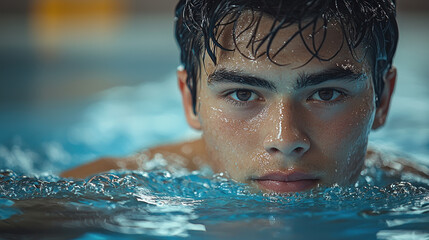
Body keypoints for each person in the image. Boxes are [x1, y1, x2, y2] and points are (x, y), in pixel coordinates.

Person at [61, 0, 427, 192]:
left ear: (383, 99)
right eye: (242, 93)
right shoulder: (110, 191)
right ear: (190, 100)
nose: (285, 140)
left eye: (326, 94)